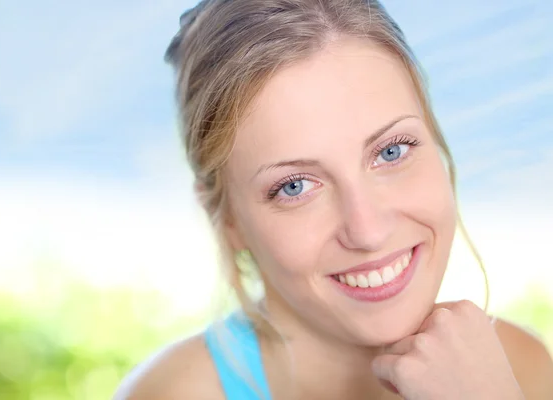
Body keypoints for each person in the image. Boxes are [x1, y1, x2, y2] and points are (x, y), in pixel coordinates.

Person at [115, 1, 553, 399]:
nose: (368, 230)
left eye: (391, 151)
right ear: (228, 220)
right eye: (295, 186)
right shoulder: (173, 393)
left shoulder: (520, 370)